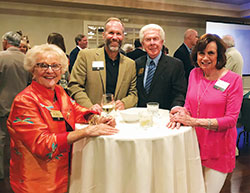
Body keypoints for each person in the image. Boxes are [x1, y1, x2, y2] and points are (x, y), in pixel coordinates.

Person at [7, 44, 118, 192]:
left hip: (61, 175)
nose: (50, 71)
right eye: (43, 66)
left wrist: (96, 119)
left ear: (62, 70)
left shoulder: (58, 91)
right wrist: (86, 131)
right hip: (37, 181)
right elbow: (43, 145)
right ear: (33, 69)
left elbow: (75, 110)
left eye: (55, 66)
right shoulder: (25, 101)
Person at [168, 34, 243, 193]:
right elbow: (189, 104)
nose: (205, 58)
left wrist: (194, 121)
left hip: (218, 149)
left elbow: (230, 120)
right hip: (194, 145)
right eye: (201, 53)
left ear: (219, 55)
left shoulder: (233, 80)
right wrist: (181, 111)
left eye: (211, 53)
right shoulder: (194, 74)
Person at [68, 17, 138, 113]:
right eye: (111, 33)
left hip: (118, 118)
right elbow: (75, 86)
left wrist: (124, 103)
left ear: (123, 37)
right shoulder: (86, 56)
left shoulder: (130, 64)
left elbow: (133, 93)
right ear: (103, 35)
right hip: (91, 117)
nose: (115, 37)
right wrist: (90, 106)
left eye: (118, 33)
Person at [0, 31, 31, 179]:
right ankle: (20, 170)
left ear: (5, 42)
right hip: (24, 107)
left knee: (2, 141)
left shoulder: (1, 57)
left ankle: (2, 173)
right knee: (22, 141)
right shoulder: (27, 60)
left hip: (3, 106)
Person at [136, 24, 186, 110]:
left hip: (164, 117)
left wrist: (176, 108)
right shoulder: (137, 63)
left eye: (155, 39)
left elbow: (179, 94)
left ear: (162, 42)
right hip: (141, 117)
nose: (152, 43)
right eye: (148, 39)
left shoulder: (175, 65)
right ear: (143, 44)